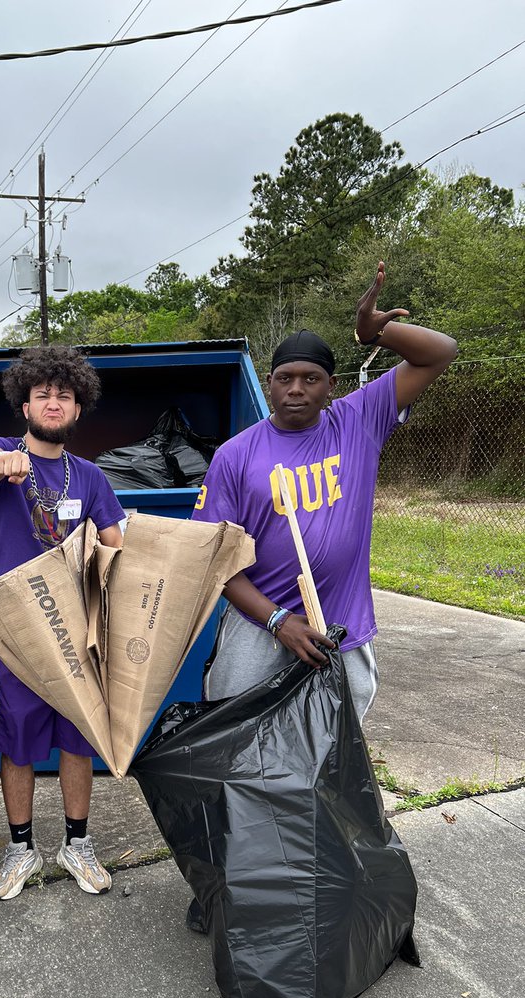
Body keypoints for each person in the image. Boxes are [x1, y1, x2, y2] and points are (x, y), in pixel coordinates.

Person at [186, 262, 457, 932]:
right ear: (269, 384)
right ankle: (224, 884)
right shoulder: (236, 455)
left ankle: (319, 884)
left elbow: (441, 352)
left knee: (332, 766)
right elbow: (216, 563)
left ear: (332, 386)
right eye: (286, 378)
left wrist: (377, 332)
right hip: (261, 630)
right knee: (238, 759)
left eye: (311, 378)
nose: (297, 389)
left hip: (342, 632)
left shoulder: (359, 421)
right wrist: (277, 621)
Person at [0, 345, 126, 901]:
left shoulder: (90, 477)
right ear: (26, 403)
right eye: (43, 394)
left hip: (78, 632)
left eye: (64, 394)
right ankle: (20, 849)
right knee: (17, 744)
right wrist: (1, 464)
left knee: (79, 739)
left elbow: (117, 544)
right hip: (17, 633)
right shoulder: (1, 455)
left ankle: (76, 844)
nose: (54, 402)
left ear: (79, 408)